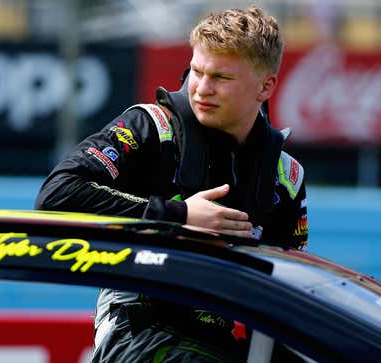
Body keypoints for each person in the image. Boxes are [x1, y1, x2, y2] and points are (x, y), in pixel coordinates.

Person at [36, 6, 308, 362]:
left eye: (221, 78)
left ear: (266, 85)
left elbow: (285, 297)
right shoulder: (150, 128)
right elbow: (56, 194)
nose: (202, 89)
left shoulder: (286, 177)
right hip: (136, 330)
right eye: (197, 71)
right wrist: (178, 215)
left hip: (216, 342)